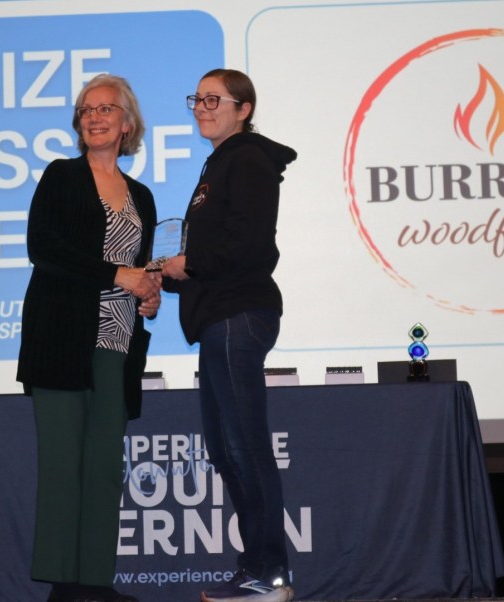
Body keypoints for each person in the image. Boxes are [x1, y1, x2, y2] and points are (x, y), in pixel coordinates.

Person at [17, 73, 161, 602]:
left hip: (117, 346)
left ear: (127, 124)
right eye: (86, 110)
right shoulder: (61, 176)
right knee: (63, 466)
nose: (94, 117)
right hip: (61, 343)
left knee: (104, 469)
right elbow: (44, 249)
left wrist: (148, 292)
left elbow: (140, 268)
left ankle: (96, 583)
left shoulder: (141, 196)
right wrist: (118, 275)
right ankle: (65, 585)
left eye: (105, 109)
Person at [160, 68, 297, 602]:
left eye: (214, 99)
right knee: (225, 449)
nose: (202, 106)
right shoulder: (219, 165)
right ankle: (257, 569)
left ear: (244, 109)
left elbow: (248, 244)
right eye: (197, 98)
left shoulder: (247, 160)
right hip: (219, 319)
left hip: (239, 316)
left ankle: (271, 574)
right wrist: (164, 276)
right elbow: (215, 255)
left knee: (244, 447)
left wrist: (188, 263)